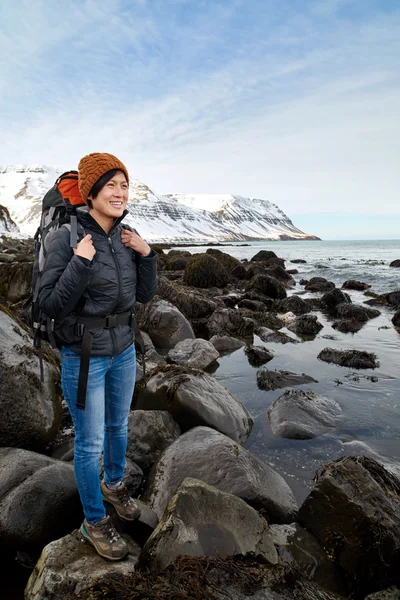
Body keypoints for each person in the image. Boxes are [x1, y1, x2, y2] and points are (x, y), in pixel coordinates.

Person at [39, 152, 158, 561]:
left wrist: (147, 255)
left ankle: (114, 484)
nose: (120, 193)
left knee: (119, 427)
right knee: (89, 444)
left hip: (124, 349)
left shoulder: (127, 235)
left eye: (124, 185)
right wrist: (80, 263)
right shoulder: (68, 237)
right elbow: (49, 304)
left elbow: (142, 296)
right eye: (111, 185)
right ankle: (93, 521)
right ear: (91, 192)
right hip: (85, 355)